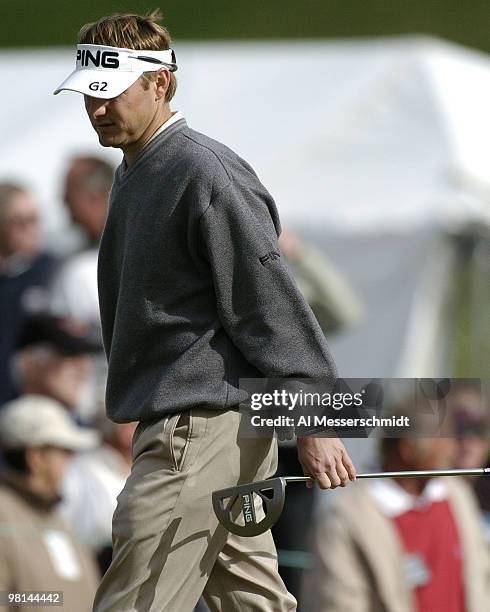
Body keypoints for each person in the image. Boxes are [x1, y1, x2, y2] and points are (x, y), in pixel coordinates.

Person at [54, 11, 356, 611]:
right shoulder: (135, 170)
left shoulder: (203, 171)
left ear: (160, 82)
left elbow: (270, 307)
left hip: (198, 432)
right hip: (200, 431)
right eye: (88, 93)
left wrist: (316, 417)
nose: (95, 108)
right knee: (252, 604)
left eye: (109, 92)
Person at [304, 414, 490, 612]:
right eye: (440, 437)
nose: (453, 446)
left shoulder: (457, 496)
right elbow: (339, 602)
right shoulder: (345, 518)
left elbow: (482, 582)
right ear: (407, 448)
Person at [0, 394, 100, 611]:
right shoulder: (4, 516)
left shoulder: (58, 518)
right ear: (35, 457)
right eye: (64, 452)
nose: (71, 461)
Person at [0, 183, 58, 404]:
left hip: (36, 403)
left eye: (35, 219)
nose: (31, 228)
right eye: (20, 221)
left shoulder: (50, 271)